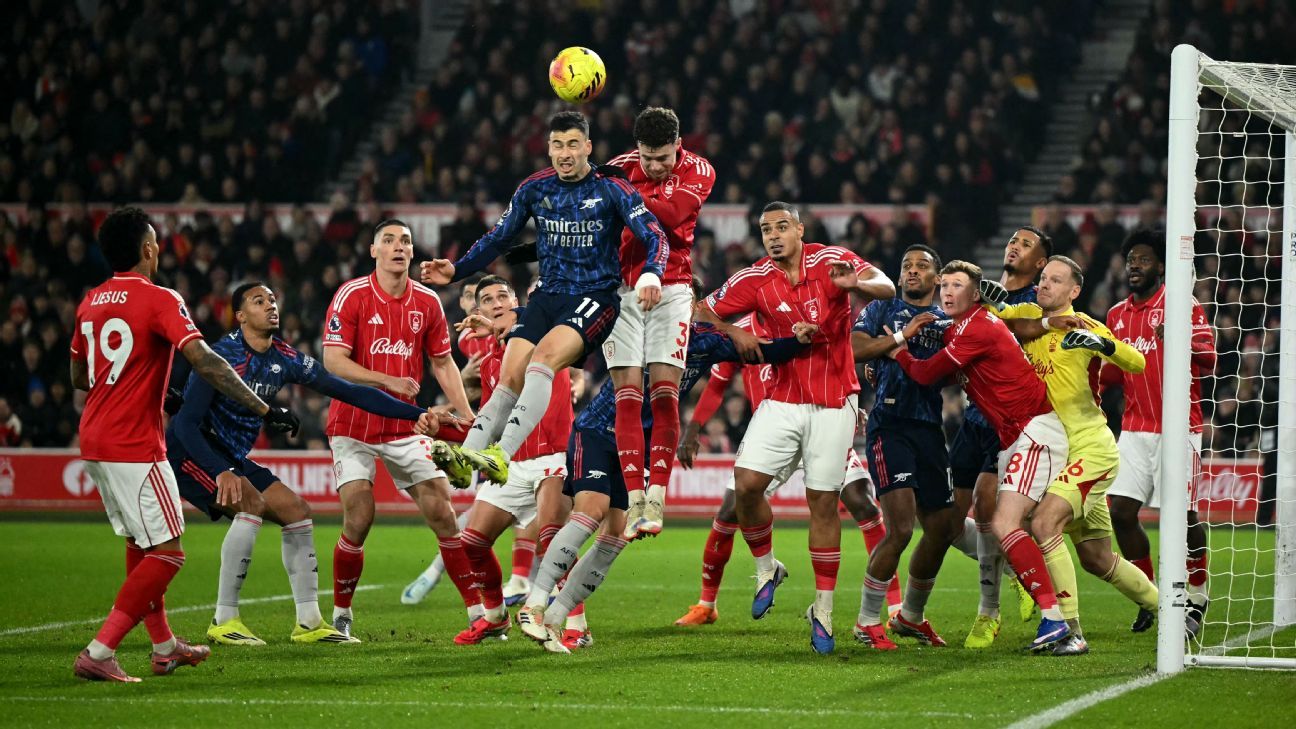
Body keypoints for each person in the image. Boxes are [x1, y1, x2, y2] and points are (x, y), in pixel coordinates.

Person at [71, 206, 297, 682]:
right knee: (170, 551)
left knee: (141, 542)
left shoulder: (90, 302)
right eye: (155, 242)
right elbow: (206, 361)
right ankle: (100, 649)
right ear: (149, 249)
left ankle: (163, 646)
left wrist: (140, 377)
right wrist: (262, 408)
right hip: (134, 442)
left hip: (93, 435)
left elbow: (79, 375)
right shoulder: (159, 298)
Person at [513, 314, 816, 653]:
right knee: (591, 510)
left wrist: (800, 341)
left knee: (615, 537)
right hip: (597, 433)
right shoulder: (635, 328)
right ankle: (534, 604)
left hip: (641, 449)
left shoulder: (702, 341)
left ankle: (556, 617)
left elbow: (760, 351)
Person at [168, 282, 430, 646]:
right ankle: (224, 619)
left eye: (273, 299)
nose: (270, 306)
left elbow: (347, 390)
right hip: (192, 453)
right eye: (259, 302)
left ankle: (309, 622)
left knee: (297, 511)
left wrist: (416, 413)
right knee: (252, 505)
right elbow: (184, 423)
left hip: (233, 456)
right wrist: (219, 471)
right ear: (240, 316)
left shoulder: (285, 358)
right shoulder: (220, 355)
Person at [419, 111, 668, 485]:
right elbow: (498, 238)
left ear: (587, 147)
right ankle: (466, 457)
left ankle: (500, 456)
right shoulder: (535, 188)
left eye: (572, 145)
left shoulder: (612, 188)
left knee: (544, 360)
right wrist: (457, 270)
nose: (564, 153)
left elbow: (655, 235)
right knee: (509, 377)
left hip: (594, 298)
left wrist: (652, 272)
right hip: (547, 296)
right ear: (548, 149)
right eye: (557, 145)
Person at [694, 201, 895, 654]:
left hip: (832, 402)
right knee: (745, 486)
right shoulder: (753, 279)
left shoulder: (829, 261)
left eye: (782, 226)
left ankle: (822, 611)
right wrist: (735, 332)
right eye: (766, 229)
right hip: (781, 401)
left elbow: (886, 284)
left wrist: (856, 282)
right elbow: (699, 312)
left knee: (822, 505)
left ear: (800, 229)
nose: (773, 235)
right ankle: (767, 568)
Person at [890, 260, 1071, 651]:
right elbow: (958, 370)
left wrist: (897, 349)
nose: (949, 292)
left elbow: (926, 374)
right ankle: (1051, 617)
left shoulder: (978, 327)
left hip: (1033, 430)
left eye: (959, 286)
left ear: (976, 295)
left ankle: (1054, 619)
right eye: (946, 286)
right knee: (1005, 527)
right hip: (1015, 436)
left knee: (1008, 524)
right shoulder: (964, 329)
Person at [674, 316, 899, 627]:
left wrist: (848, 401)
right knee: (729, 511)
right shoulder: (741, 328)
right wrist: (693, 429)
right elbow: (718, 383)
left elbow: (838, 360)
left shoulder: (807, 313)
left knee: (862, 502)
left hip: (819, 420)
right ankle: (706, 604)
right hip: (773, 433)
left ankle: (895, 607)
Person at [990, 255, 1159, 654]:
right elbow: (1001, 318)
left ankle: (1070, 631)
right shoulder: (1029, 316)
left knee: (1045, 523)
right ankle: (1169, 607)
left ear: (1074, 291)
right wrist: (992, 298)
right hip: (1053, 450)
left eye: (1055, 280)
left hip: (1089, 447)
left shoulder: (1086, 325)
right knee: (1097, 558)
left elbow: (1137, 362)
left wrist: (1101, 343)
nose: (1044, 285)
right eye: (1044, 278)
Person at [322, 219, 477, 639]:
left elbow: (442, 363)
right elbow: (333, 361)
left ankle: (478, 615)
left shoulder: (427, 301)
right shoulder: (352, 294)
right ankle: (341, 615)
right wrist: (385, 380)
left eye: (405, 241)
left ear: (412, 252)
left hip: (404, 426)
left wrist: (466, 416)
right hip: (352, 425)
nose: (397, 247)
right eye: (388, 241)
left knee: (443, 513)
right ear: (373, 251)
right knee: (360, 516)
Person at [421, 275, 576, 647]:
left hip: (552, 456)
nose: (496, 302)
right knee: (471, 542)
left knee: (552, 542)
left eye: (503, 295)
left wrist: (498, 325)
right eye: (486, 299)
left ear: (517, 300)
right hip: (509, 462)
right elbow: (491, 425)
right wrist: (442, 428)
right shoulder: (490, 361)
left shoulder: (545, 334)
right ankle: (494, 617)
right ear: (477, 309)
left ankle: (574, 627)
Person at [605, 107, 715, 540]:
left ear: (678, 145)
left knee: (665, 395)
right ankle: (635, 503)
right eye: (647, 158)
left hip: (672, 288)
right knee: (627, 397)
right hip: (619, 291)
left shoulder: (700, 169)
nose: (653, 166)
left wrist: (621, 198)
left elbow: (669, 216)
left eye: (662, 158)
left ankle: (658, 498)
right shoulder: (617, 168)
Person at [849, 244, 964, 650]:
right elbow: (856, 348)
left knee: (942, 528)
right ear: (899, 278)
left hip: (930, 428)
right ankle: (866, 621)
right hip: (891, 426)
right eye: (906, 266)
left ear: (937, 279)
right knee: (898, 529)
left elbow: (959, 370)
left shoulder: (949, 320)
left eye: (923, 266)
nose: (913, 271)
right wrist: (899, 339)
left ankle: (911, 617)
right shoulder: (882, 309)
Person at [1103, 229, 1216, 637]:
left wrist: (1179, 339)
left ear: (1162, 266)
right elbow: (1111, 371)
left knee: (1183, 516)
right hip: (1134, 427)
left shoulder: (1182, 304)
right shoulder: (1116, 315)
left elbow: (1211, 357)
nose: (1135, 265)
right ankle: (1147, 594)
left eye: (1144, 259)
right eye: (1131, 258)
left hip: (1179, 427)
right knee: (1121, 513)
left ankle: (1197, 595)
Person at [947, 226, 1050, 644]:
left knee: (988, 509)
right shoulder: (980, 293)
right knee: (948, 521)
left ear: (1040, 263)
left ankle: (987, 613)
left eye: (1026, 244)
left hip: (1007, 421)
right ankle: (1016, 568)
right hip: (973, 417)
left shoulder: (1032, 304)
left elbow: (1024, 334)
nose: (1014, 245)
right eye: (1012, 239)